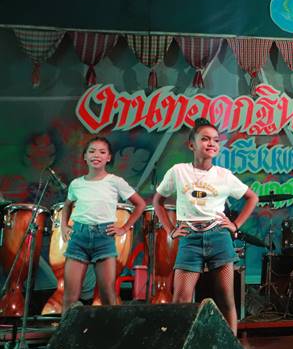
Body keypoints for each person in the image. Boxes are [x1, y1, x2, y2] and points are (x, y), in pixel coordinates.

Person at [153, 118, 258, 333]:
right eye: (205, 139)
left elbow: (252, 198)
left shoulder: (224, 175)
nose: (211, 143)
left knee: (225, 298)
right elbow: (158, 201)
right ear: (191, 144)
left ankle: (231, 346)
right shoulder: (178, 171)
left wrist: (235, 225)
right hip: (189, 238)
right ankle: (181, 345)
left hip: (218, 236)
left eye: (216, 140)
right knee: (181, 299)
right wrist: (170, 229)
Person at [61, 137, 146, 310]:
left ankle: (110, 328)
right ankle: (67, 328)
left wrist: (124, 228)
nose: (96, 155)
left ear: (108, 157)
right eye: (91, 151)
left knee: (107, 294)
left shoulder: (115, 181)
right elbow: (67, 205)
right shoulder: (76, 184)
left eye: (102, 152)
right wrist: (64, 226)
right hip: (79, 237)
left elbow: (140, 204)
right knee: (70, 296)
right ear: (85, 156)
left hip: (104, 238)